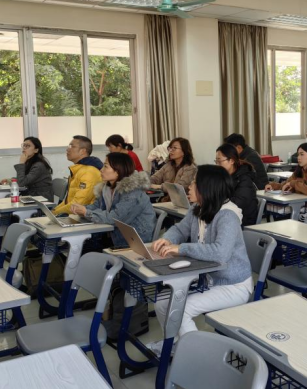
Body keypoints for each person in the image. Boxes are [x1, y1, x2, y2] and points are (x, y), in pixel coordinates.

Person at [148, 165, 253, 354]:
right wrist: (167, 239)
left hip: (232, 285)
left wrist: (182, 248)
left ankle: (197, 356)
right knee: (162, 302)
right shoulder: (198, 208)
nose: (189, 186)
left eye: (195, 182)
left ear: (207, 188)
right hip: (208, 278)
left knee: (183, 308)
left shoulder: (227, 216)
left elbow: (220, 253)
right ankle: (174, 344)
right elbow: (180, 229)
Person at [71, 153, 156, 248]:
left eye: (105, 166)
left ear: (118, 170)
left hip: (131, 242)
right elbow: (97, 206)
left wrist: (86, 212)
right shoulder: (107, 188)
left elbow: (115, 218)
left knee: (85, 249)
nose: (101, 170)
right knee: (79, 245)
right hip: (112, 235)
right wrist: (82, 208)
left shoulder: (133, 192)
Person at [266, 143, 307, 218]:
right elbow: (285, 185)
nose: (298, 158)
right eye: (298, 155)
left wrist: (293, 183)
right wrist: (272, 186)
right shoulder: (300, 170)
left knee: (299, 218)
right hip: (303, 207)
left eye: (302, 154)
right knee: (281, 215)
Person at [53, 136, 103, 216]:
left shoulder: (88, 172)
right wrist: (53, 212)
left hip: (84, 218)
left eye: (72, 146)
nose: (68, 149)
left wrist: (54, 213)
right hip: (74, 215)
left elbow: (78, 204)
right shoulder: (79, 169)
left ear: (83, 151)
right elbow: (67, 202)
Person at [215, 143, 258, 226]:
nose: (217, 164)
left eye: (219, 161)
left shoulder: (245, 179)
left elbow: (236, 203)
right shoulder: (223, 176)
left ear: (231, 161)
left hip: (242, 220)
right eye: (216, 161)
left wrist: (214, 205)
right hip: (226, 215)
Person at [1, 137, 54, 201]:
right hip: (33, 195)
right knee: (8, 197)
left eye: (28, 146)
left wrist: (21, 163)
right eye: (24, 145)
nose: (24, 148)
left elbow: (21, 183)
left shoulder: (39, 166)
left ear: (36, 150)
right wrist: (9, 180)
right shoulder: (30, 162)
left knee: (9, 198)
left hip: (41, 199)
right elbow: (25, 178)